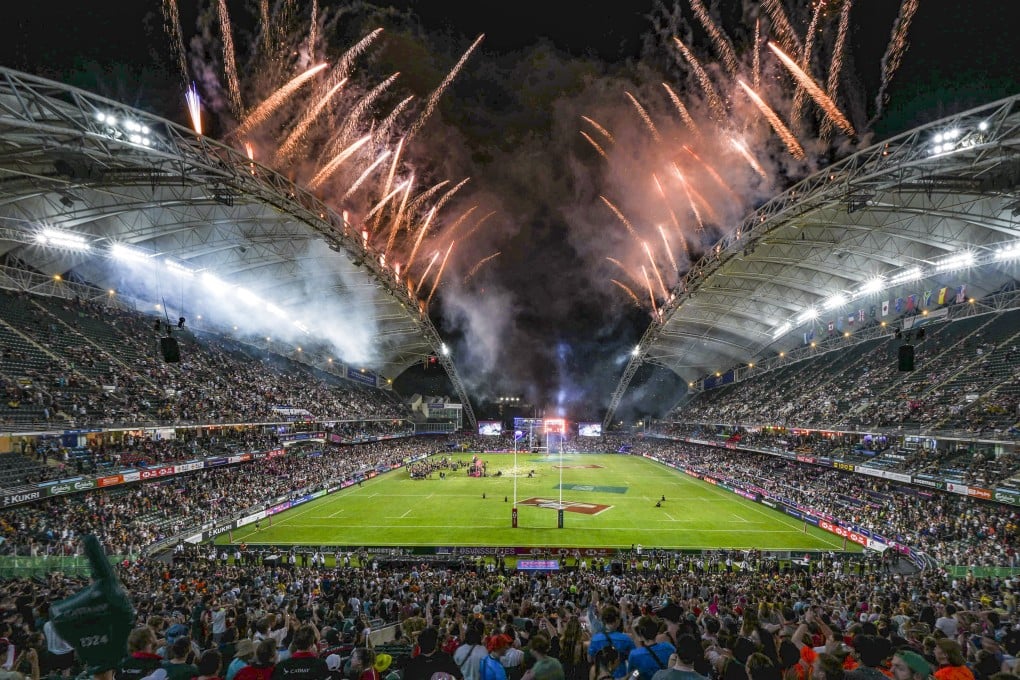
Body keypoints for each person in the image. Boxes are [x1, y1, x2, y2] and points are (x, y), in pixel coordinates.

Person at [587, 606, 635, 680]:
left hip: (601, 675)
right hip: (621, 675)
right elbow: (633, 661)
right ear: (617, 620)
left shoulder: (595, 639)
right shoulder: (626, 639)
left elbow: (589, 659)